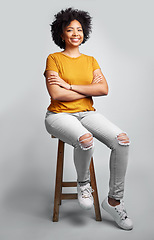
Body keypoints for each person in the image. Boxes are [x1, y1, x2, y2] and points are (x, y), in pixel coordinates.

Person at [43, 8, 133, 230]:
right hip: (58, 115)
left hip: (87, 113)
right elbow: (56, 95)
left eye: (79, 29)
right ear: (61, 34)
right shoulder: (54, 59)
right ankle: (84, 184)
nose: (75, 33)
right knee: (85, 139)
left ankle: (114, 201)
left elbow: (103, 89)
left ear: (85, 32)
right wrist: (88, 89)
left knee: (122, 140)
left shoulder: (91, 60)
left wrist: (69, 85)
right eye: (70, 29)